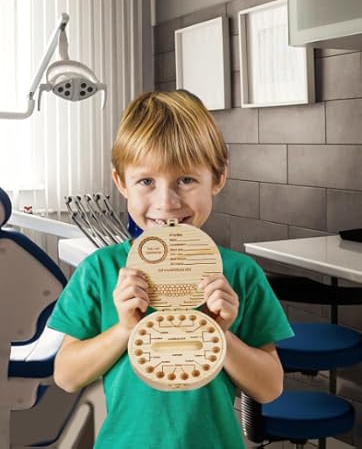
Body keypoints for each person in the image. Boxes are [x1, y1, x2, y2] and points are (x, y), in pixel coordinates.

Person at [48, 90, 294, 449]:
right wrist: (124, 329)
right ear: (121, 183)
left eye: (186, 180)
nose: (167, 202)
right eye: (146, 181)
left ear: (218, 178)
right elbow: (67, 376)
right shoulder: (100, 271)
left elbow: (270, 387)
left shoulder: (240, 275)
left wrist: (220, 335)